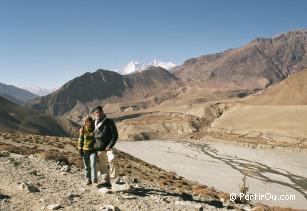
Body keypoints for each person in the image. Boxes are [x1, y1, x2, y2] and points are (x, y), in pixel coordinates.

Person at [93, 106, 118, 185]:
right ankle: (106, 180)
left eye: (100, 112)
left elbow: (115, 135)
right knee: (102, 164)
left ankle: (113, 176)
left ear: (103, 112)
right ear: (95, 113)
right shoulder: (94, 122)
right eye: (97, 112)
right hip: (98, 148)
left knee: (112, 158)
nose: (98, 114)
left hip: (108, 147)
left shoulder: (109, 122)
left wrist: (110, 146)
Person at [78, 116, 97, 185]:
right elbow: (80, 140)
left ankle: (94, 180)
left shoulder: (94, 129)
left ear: (91, 122)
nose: (88, 123)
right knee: (87, 166)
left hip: (93, 151)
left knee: (93, 165)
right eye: (86, 122)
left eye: (89, 122)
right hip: (85, 151)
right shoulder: (82, 130)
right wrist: (80, 149)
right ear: (85, 122)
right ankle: (88, 179)